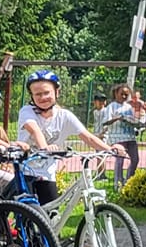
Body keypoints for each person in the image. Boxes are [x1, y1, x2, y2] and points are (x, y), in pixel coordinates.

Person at [14, 70, 126, 207]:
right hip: (25, 170)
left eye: (47, 92)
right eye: (37, 94)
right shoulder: (27, 111)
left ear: (57, 92)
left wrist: (110, 149)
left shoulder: (64, 116)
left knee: (51, 215)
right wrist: (45, 148)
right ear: (31, 96)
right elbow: (35, 130)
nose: (43, 97)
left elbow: (88, 137)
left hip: (47, 173)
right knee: (29, 212)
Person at [94, 82, 140, 188]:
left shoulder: (129, 107)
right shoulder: (111, 107)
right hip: (117, 137)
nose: (124, 96)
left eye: (126, 94)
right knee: (120, 159)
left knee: (135, 159)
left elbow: (134, 121)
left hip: (130, 137)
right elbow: (105, 122)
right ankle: (118, 183)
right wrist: (117, 118)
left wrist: (133, 121)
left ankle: (129, 180)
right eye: (122, 94)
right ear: (116, 93)